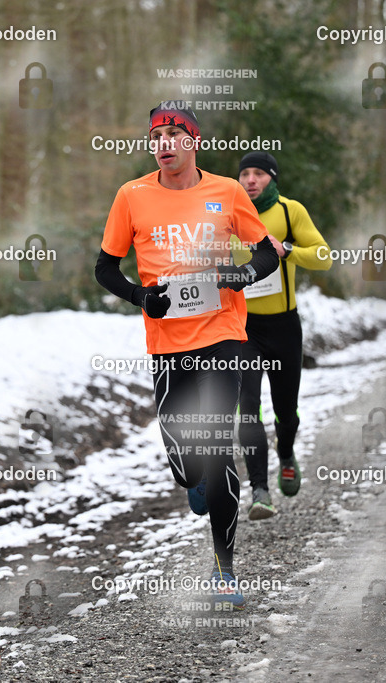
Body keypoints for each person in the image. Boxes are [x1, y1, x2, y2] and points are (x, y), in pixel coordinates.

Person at [94, 101, 278, 608]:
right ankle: (191, 477)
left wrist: (240, 275)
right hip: (168, 342)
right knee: (184, 449)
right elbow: (105, 268)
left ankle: (224, 568)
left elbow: (266, 252)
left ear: (193, 141)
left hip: (223, 333)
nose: (166, 143)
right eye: (158, 136)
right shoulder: (132, 196)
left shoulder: (226, 191)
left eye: (176, 134)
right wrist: (140, 296)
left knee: (217, 447)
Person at [233, 152, 332, 520]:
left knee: (285, 411)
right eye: (245, 174)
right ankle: (259, 491)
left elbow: (323, 256)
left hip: (284, 327)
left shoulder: (290, 212)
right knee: (248, 409)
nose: (251, 180)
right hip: (244, 330)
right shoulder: (227, 214)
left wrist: (287, 249)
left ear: (272, 178)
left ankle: (286, 453)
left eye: (259, 173)